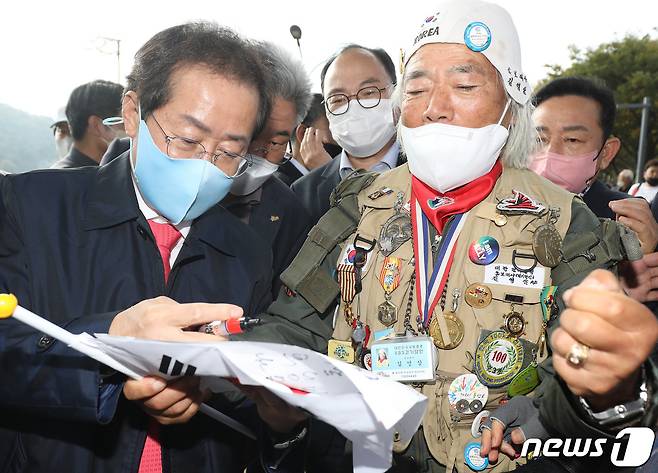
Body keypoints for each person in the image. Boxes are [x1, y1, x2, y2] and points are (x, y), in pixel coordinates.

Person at [240, 1, 637, 471]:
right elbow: (298, 321)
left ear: (511, 108)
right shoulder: (359, 206)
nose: (434, 108)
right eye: (417, 88)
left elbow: (589, 361)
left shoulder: (566, 221)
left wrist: (537, 412)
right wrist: (254, 365)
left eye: (465, 85)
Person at [0, 22, 307, 473]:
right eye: (186, 140)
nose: (206, 167)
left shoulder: (248, 253)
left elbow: (244, 409)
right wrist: (112, 345)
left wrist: (281, 422)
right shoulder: (28, 208)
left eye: (228, 153)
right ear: (132, 111)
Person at [223, 41, 313, 296]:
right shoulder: (181, 187)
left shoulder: (289, 213)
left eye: (275, 143)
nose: (259, 152)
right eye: (253, 134)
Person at [530, 76, 658, 254]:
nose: (550, 154)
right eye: (539, 139)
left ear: (606, 153)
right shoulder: (498, 199)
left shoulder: (627, 221)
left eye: (572, 140)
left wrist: (641, 257)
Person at [291, 44, 404, 224]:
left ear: (396, 93)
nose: (354, 105)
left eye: (369, 92)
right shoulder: (303, 193)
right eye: (338, 99)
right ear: (327, 111)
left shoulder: (429, 172)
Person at [52, 80, 125, 168]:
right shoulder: (67, 179)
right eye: (124, 122)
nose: (132, 130)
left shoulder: (111, 169)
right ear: (96, 125)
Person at [275, 93, 341, 186]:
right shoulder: (281, 186)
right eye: (334, 134)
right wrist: (330, 175)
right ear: (303, 134)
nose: (341, 143)